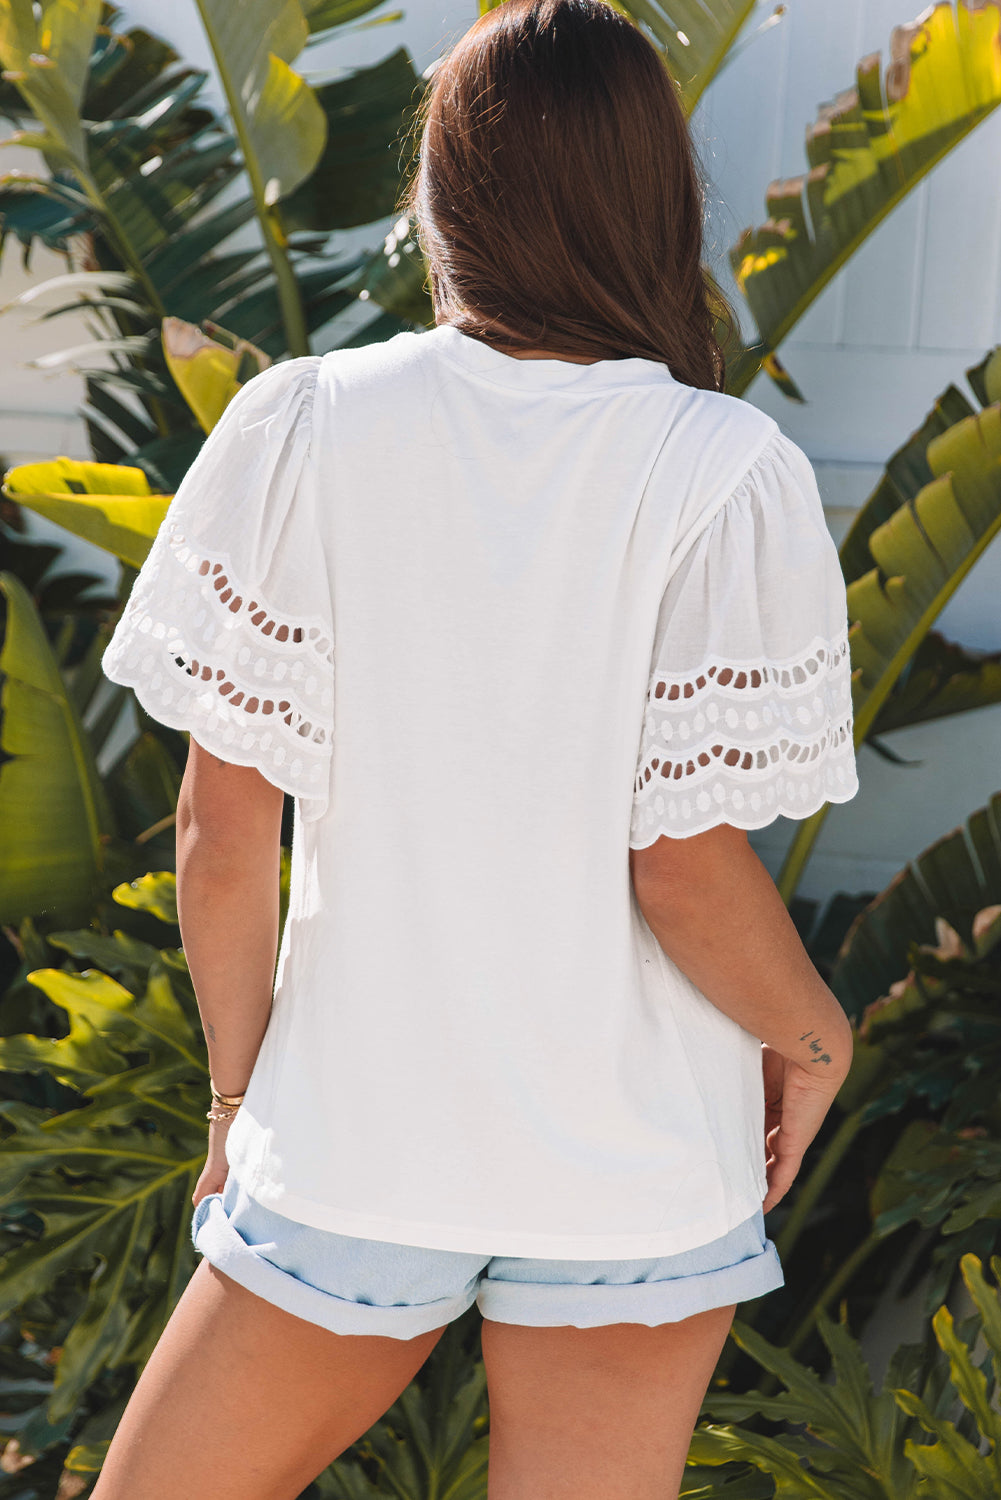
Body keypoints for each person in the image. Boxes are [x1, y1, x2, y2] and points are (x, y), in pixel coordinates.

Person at [93, 0, 858, 1494]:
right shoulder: (726, 470)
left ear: (440, 198)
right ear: (660, 203)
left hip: (359, 1146)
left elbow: (220, 836)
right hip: (637, 1170)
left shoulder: (303, 425)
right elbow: (683, 867)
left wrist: (239, 1107)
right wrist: (818, 1038)